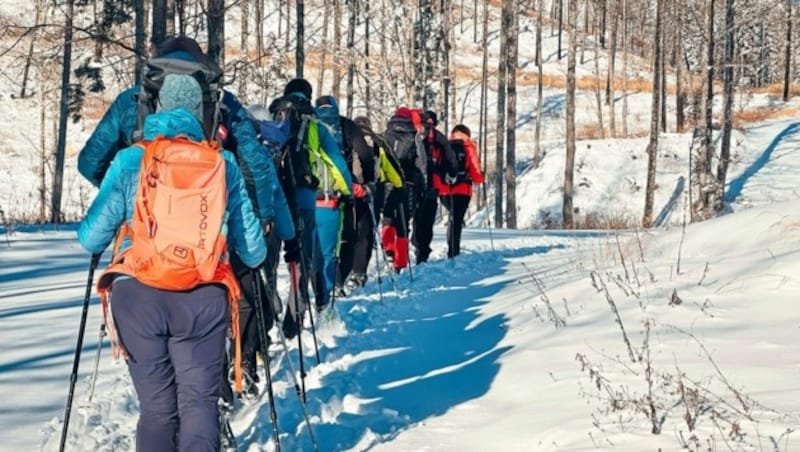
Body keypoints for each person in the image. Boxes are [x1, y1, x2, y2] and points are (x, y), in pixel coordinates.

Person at [77, 74, 267, 452]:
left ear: (157, 107)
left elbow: (90, 238)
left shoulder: (132, 159)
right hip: (202, 297)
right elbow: (254, 251)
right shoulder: (222, 163)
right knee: (198, 405)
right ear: (201, 112)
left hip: (138, 297)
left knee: (158, 409)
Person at [270, 79, 351, 338]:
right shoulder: (315, 126)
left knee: (268, 261)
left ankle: (268, 308)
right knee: (300, 260)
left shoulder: (271, 117)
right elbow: (336, 165)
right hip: (305, 200)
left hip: (274, 197)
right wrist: (347, 190)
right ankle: (294, 319)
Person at [315, 96, 377, 294]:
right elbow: (365, 155)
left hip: (313, 191)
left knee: (318, 243)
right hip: (345, 187)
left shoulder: (309, 124)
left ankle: (321, 286)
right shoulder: (347, 125)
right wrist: (367, 183)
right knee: (347, 236)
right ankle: (340, 280)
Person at [353, 115, 405, 284]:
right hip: (374, 190)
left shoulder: (348, 138)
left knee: (350, 230)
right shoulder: (378, 142)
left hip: (351, 190)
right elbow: (389, 166)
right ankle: (360, 271)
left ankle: (346, 270)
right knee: (366, 231)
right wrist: (399, 185)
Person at [412, 110, 458, 264]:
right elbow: (451, 160)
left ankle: (418, 247)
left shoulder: (415, 135)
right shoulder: (439, 138)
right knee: (427, 220)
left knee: (417, 218)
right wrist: (451, 174)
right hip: (433, 185)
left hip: (417, 183)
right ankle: (423, 251)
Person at [435, 124, 485, 258]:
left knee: (453, 218)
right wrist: (481, 177)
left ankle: (452, 248)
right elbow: (476, 173)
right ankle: (454, 251)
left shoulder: (445, 145)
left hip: (445, 190)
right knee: (456, 220)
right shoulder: (469, 147)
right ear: (467, 134)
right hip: (462, 191)